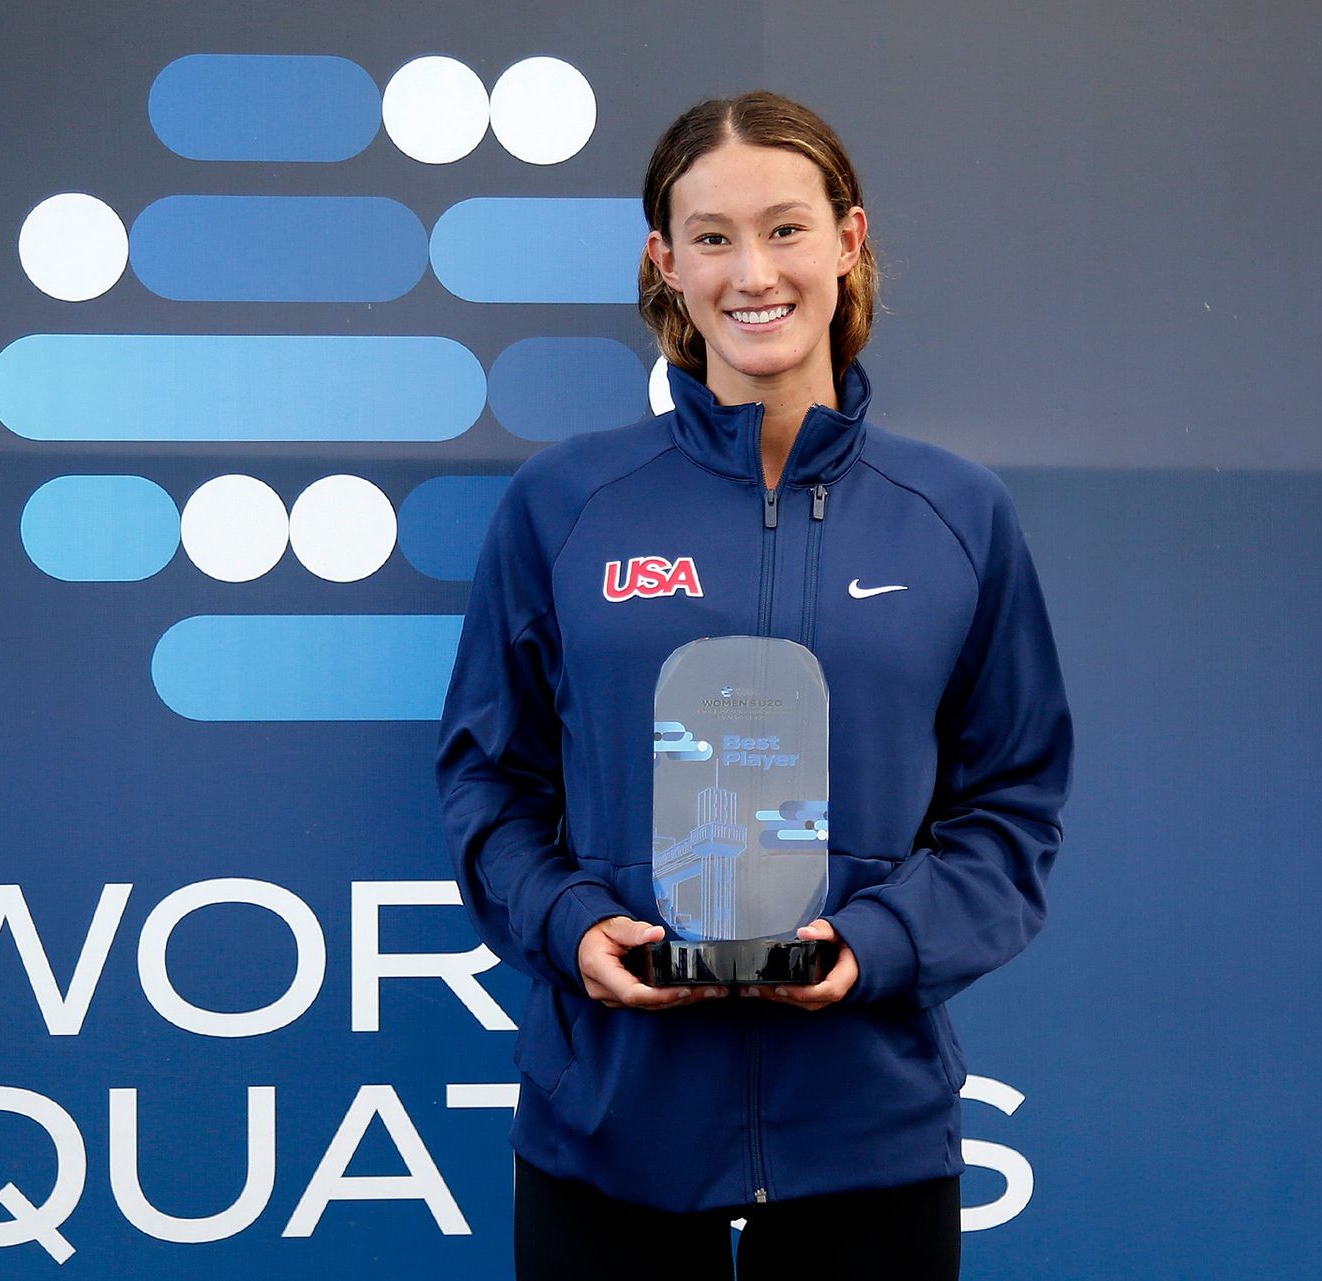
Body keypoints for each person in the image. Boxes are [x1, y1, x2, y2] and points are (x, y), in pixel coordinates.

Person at [436, 91, 1071, 1280]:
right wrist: (571, 927)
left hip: (868, 1140)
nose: (753, 272)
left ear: (849, 240)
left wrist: (879, 939)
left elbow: (1013, 807)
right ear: (663, 263)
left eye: (785, 228)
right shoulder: (567, 504)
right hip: (608, 1132)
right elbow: (489, 784)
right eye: (713, 237)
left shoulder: (957, 514)